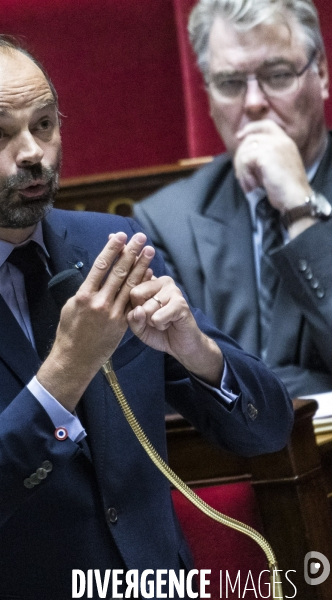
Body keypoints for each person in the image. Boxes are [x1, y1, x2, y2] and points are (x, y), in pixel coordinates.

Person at [0, 32, 292, 598]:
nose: (31, 152)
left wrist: (196, 350)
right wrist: (64, 374)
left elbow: (266, 428)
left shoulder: (109, 246)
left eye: (44, 125)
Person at [134, 0, 332, 400]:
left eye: (277, 75)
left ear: (322, 73)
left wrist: (299, 208)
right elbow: (183, 392)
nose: (254, 102)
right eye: (230, 83)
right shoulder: (168, 221)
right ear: (207, 94)